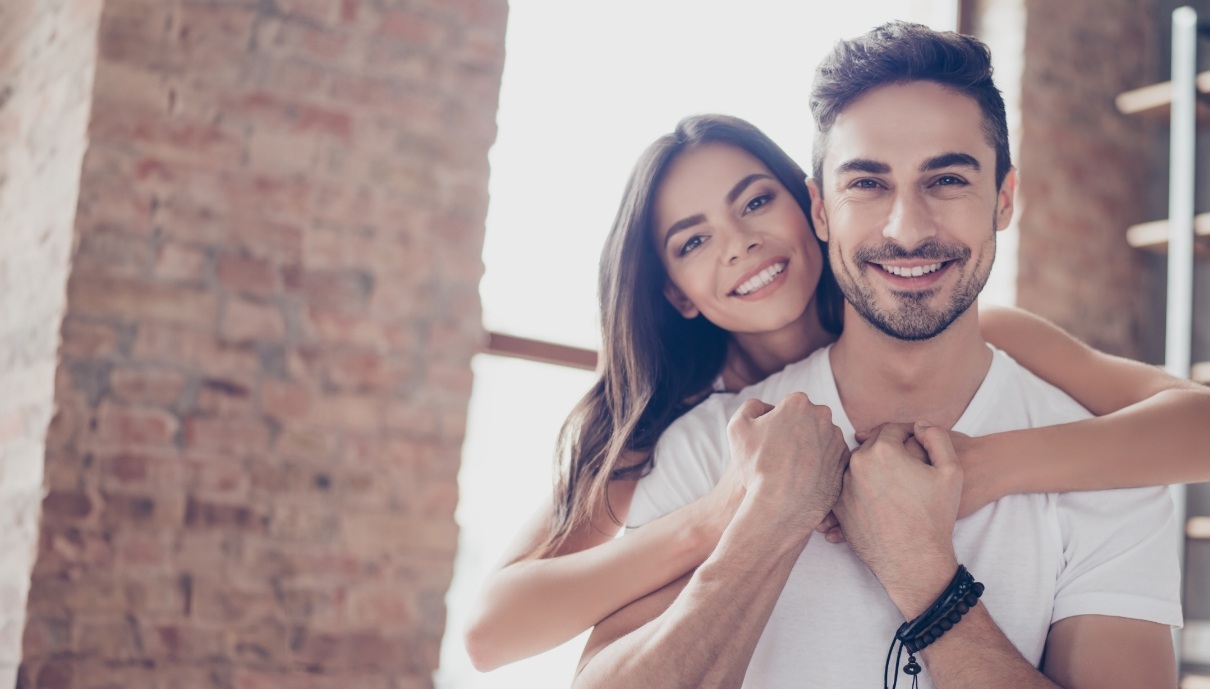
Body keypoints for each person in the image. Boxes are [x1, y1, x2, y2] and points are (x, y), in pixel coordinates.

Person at [463, 60, 1210, 681]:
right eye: (693, 242)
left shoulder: (988, 336)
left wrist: (980, 467)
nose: (739, 245)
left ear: (805, 206)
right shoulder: (682, 428)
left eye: (755, 201)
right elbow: (493, 628)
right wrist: (733, 511)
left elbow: (1194, 420)